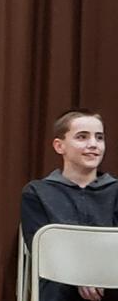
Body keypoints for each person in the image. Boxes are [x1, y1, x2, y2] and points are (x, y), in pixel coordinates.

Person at [21, 108, 118, 301]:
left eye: (99, 138)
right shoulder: (37, 192)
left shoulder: (115, 191)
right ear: (59, 146)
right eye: (82, 137)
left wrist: (96, 274)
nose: (93, 144)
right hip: (59, 286)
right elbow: (42, 250)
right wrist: (80, 275)